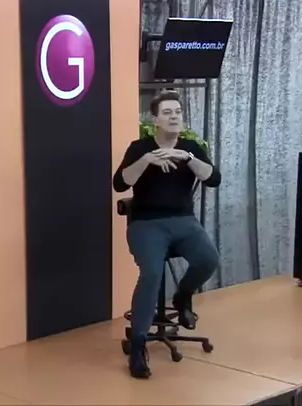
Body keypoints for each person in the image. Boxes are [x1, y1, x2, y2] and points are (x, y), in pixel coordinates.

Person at [112, 91, 222, 379]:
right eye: (168, 113)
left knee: (209, 259)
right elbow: (120, 184)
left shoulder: (190, 148)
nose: (174, 117)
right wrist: (147, 160)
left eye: (178, 112)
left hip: (183, 222)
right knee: (151, 273)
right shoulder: (140, 147)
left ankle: (182, 296)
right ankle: (138, 346)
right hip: (147, 224)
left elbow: (213, 179)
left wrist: (187, 158)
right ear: (155, 120)